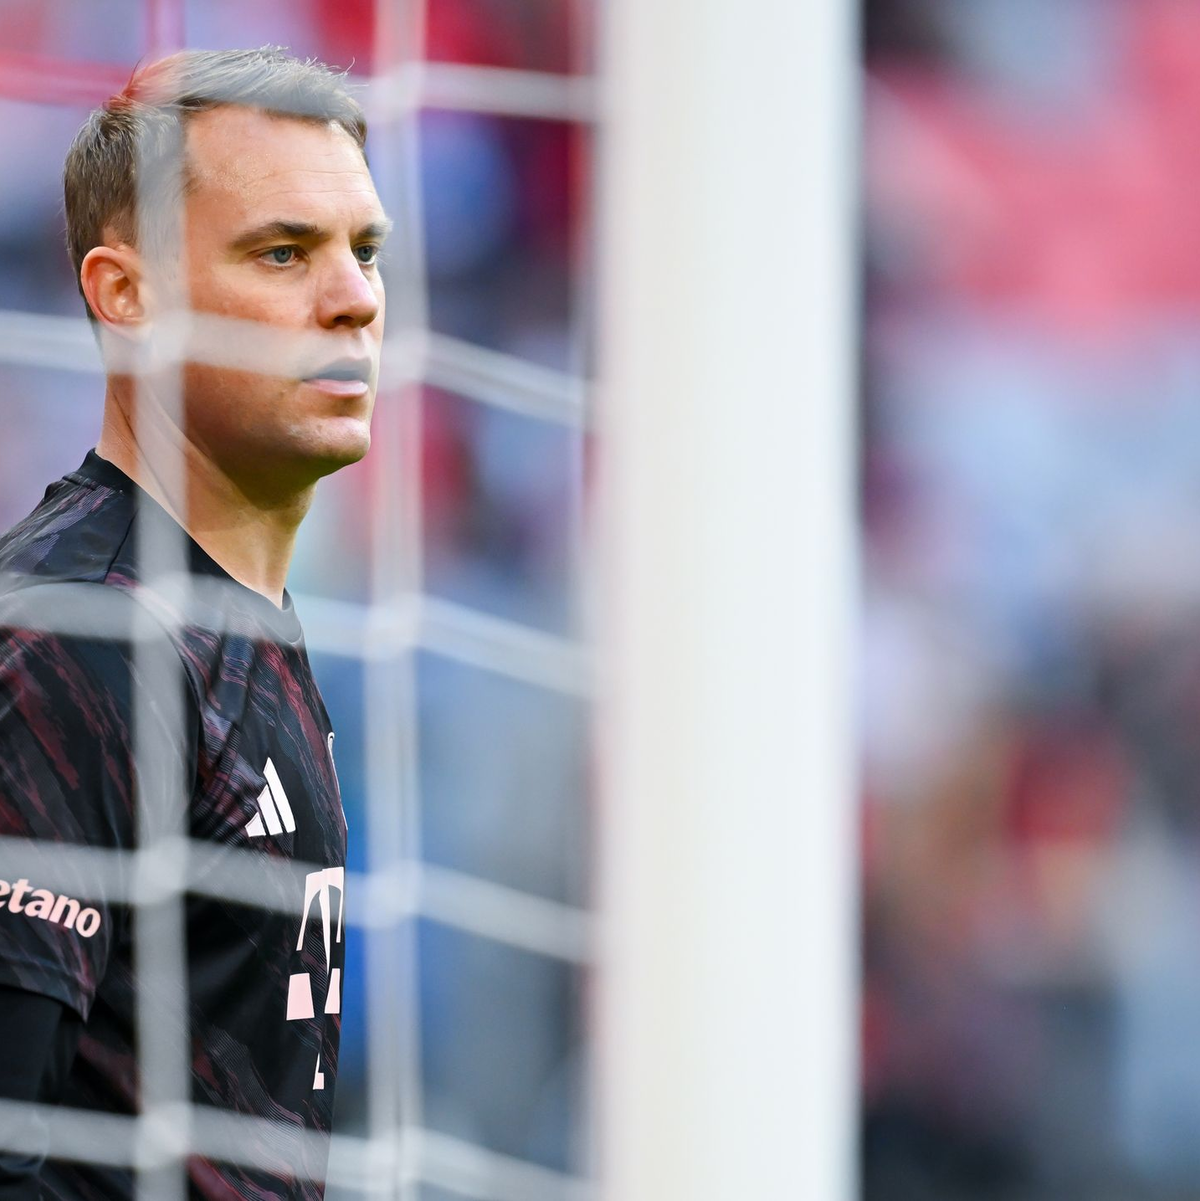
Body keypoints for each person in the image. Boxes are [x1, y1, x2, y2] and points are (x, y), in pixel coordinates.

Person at [0, 46, 388, 1199]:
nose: (356, 297)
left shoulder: (235, 624)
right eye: (285, 252)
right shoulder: (77, 641)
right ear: (127, 294)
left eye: (364, 252)